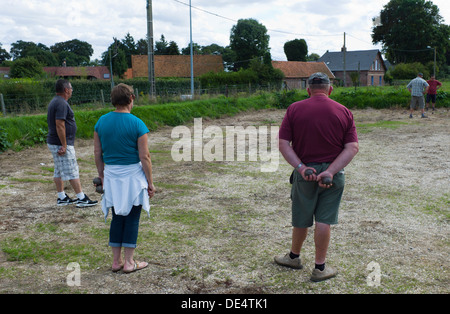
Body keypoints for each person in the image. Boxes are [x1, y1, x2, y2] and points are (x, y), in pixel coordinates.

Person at [274, 72, 359, 282]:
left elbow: (284, 144)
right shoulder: (344, 111)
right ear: (330, 89)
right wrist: (330, 171)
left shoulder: (294, 109)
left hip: (306, 174)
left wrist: (301, 167)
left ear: (308, 89)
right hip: (332, 176)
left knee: (301, 218)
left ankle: (294, 257)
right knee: (324, 220)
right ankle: (320, 268)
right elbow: (352, 147)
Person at [94, 83, 155, 273]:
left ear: (113, 100)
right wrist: (150, 183)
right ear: (131, 99)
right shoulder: (138, 124)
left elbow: (97, 153)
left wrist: (102, 176)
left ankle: (116, 261)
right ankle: (129, 263)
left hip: (112, 176)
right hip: (133, 178)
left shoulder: (101, 122)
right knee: (132, 219)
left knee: (117, 217)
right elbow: (145, 157)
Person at [47, 79, 98, 208]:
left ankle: (62, 197)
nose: (71, 90)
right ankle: (81, 198)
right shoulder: (61, 103)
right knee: (72, 170)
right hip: (61, 143)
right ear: (66, 90)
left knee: (58, 170)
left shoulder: (55, 101)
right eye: (71, 88)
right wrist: (64, 145)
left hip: (54, 142)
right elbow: (60, 125)